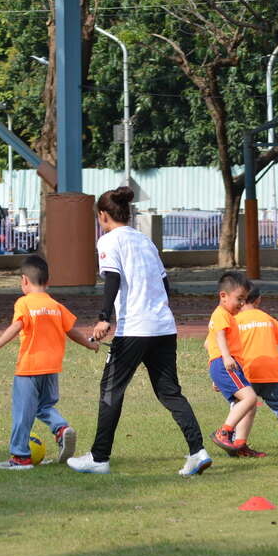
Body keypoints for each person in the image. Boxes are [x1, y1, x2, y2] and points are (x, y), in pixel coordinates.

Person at [67, 186, 212, 477]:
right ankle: (198, 451)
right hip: (163, 327)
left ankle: (99, 458)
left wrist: (103, 318)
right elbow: (164, 284)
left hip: (135, 328)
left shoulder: (109, 240)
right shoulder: (146, 241)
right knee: (169, 392)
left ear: (103, 215)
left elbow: (112, 278)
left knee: (110, 390)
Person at [0, 255, 97, 470]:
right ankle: (61, 429)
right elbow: (72, 331)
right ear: (48, 281)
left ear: (24, 280)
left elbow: (16, 326)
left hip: (29, 368)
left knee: (22, 413)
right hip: (51, 368)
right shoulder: (55, 306)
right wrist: (90, 345)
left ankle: (20, 457)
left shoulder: (24, 303)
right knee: (44, 406)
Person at [236, 281, 278, 451]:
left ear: (240, 300)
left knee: (242, 405)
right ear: (258, 300)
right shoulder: (267, 319)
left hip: (247, 371)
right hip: (274, 371)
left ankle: (237, 439)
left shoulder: (235, 322)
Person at [206, 271, 264, 458]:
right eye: (239, 299)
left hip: (225, 366)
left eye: (244, 299)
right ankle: (224, 432)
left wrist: (217, 375)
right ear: (223, 296)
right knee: (250, 398)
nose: (242, 303)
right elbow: (219, 337)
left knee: (248, 404)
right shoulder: (221, 314)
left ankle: (240, 445)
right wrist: (226, 357)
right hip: (225, 364)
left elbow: (209, 343)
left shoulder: (228, 316)